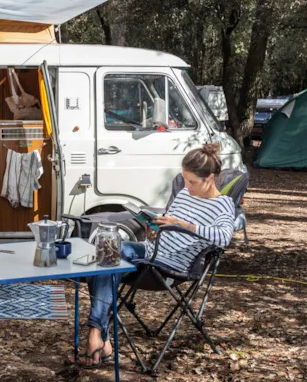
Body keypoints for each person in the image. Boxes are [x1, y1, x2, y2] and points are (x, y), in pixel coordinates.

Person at [77, 143, 236, 367]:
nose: (187, 186)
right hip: (150, 251)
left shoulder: (223, 205)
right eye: (185, 179)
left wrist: (181, 224)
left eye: (192, 181)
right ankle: (101, 336)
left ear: (210, 178)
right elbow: (167, 227)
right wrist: (155, 229)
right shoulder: (183, 194)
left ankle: (97, 335)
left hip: (169, 266)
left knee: (108, 259)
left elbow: (223, 238)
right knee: (107, 250)